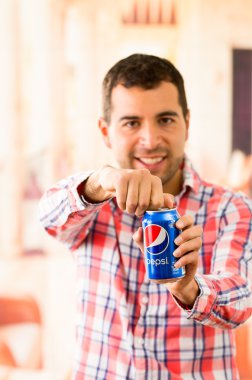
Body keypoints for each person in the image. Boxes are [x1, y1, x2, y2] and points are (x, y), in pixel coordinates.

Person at [39, 53, 252, 380]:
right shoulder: (90, 204)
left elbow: (239, 302)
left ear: (187, 124)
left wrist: (188, 288)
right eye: (131, 122)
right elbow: (50, 219)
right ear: (106, 131)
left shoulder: (231, 207)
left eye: (165, 119)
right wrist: (98, 184)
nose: (150, 140)